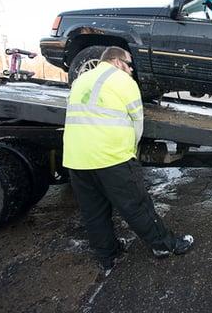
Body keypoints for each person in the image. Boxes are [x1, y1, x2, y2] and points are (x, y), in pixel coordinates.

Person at [62, 46, 194, 269]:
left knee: (94, 212)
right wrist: (131, 152)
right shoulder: (124, 82)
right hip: (112, 158)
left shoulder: (80, 81)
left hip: (76, 159)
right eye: (130, 64)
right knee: (137, 206)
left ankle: (108, 256)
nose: (132, 70)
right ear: (116, 61)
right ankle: (163, 244)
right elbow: (137, 123)